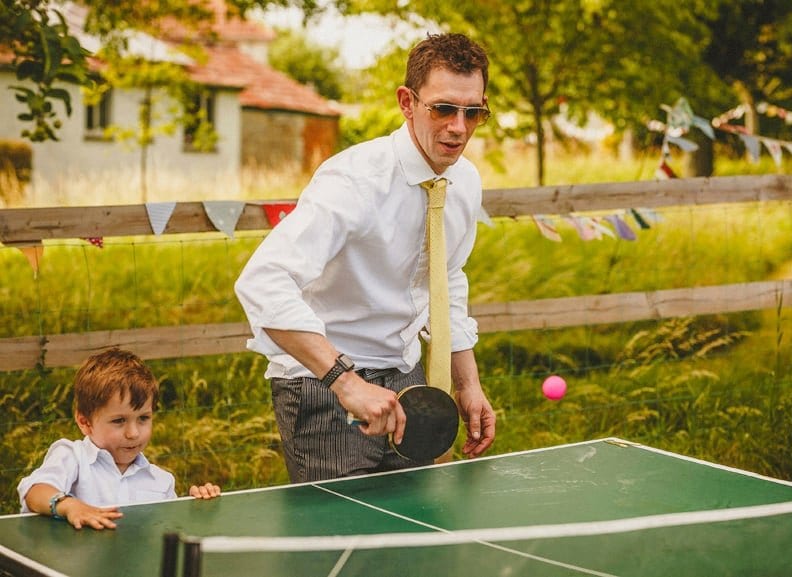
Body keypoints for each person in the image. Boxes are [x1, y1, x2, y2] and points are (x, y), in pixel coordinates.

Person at [234, 32, 496, 483]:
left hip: (408, 379)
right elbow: (263, 281)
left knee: (412, 533)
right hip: (325, 383)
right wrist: (346, 382)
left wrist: (467, 384)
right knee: (339, 543)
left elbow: (447, 281)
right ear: (407, 102)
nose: (459, 127)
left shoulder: (465, 182)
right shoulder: (352, 181)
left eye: (473, 112)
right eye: (444, 109)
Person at [17, 348, 220, 530]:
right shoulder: (72, 457)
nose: (133, 433)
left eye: (143, 418)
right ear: (85, 422)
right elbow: (35, 491)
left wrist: (194, 509)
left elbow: (168, 531)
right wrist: (70, 506)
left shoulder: (161, 481)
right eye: (119, 420)